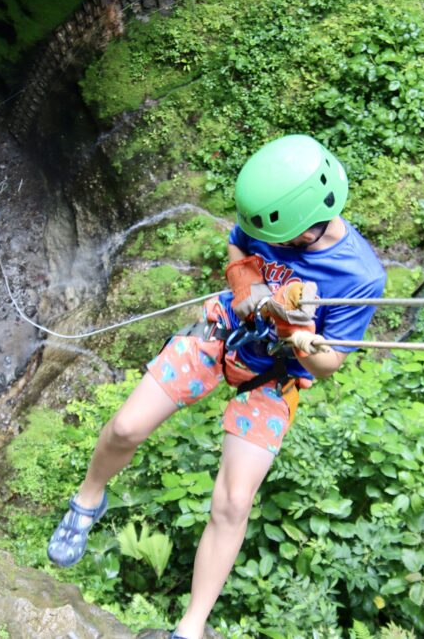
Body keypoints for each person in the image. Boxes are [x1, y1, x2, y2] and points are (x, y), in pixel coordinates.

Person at [46, 134, 386, 639]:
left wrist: (299, 334)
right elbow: (238, 243)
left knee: (232, 503)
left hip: (277, 375)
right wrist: (245, 281)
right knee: (125, 427)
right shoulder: (272, 216)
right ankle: (88, 499)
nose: (282, 246)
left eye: (292, 242)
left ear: (317, 216)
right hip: (224, 333)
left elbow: (330, 363)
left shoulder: (359, 276)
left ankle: (191, 627)